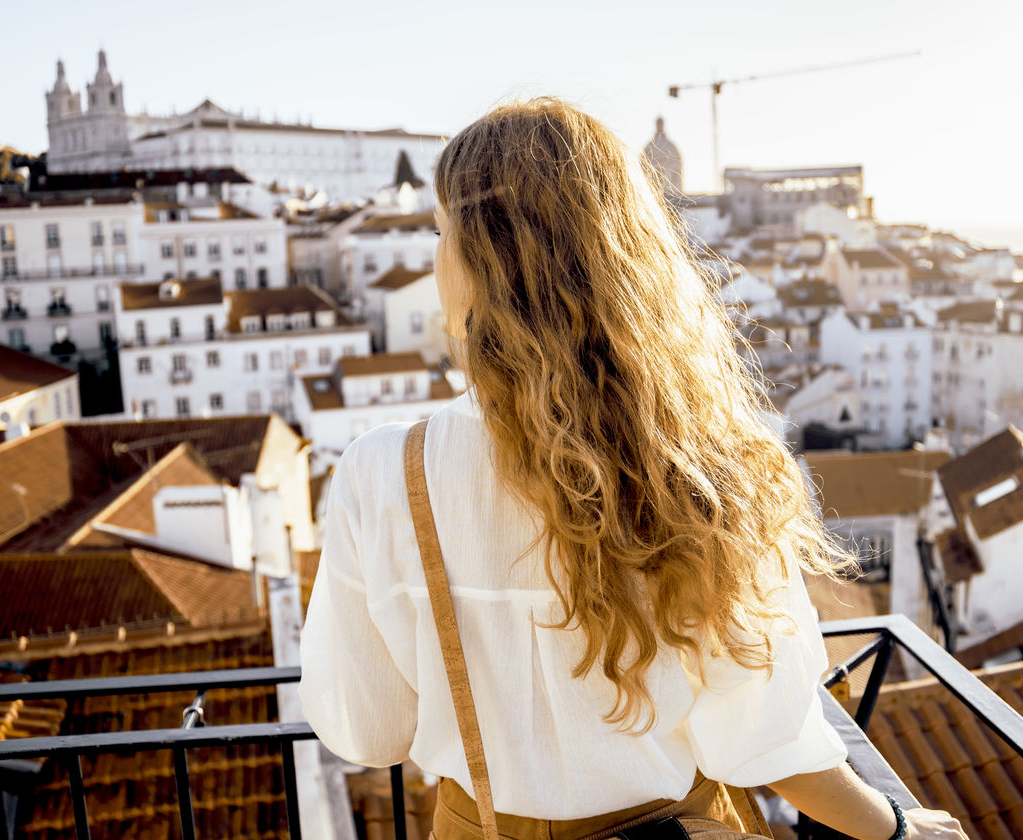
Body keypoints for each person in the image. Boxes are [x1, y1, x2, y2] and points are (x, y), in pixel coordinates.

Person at [298, 98, 967, 840]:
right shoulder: (710, 469)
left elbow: (367, 732)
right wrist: (896, 831)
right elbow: (765, 739)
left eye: (439, 233)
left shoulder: (384, 475)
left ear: (471, 264)